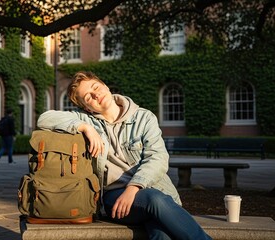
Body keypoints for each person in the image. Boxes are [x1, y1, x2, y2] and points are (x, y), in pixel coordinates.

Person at [37, 71, 212, 240]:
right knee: (154, 200)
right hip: (117, 198)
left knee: (161, 233)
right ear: (86, 107)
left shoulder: (143, 117)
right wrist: (85, 127)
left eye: (95, 87)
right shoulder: (86, 120)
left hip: (157, 192)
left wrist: (134, 188)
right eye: (88, 97)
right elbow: (44, 118)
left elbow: (158, 158)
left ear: (105, 86)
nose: (96, 95)